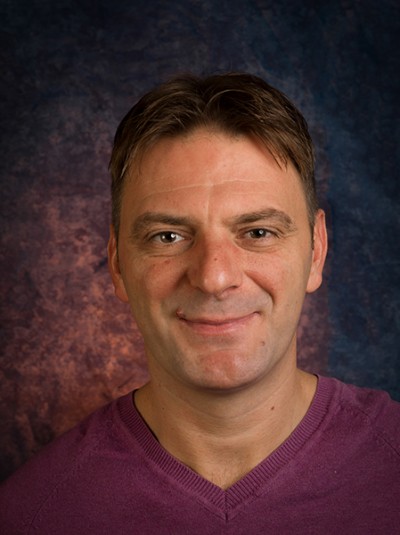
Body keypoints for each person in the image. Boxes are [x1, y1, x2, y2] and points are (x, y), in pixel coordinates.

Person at [1, 73, 399, 534]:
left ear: (316, 251)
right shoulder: (31, 514)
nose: (214, 278)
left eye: (258, 232)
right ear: (117, 263)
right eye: (168, 237)